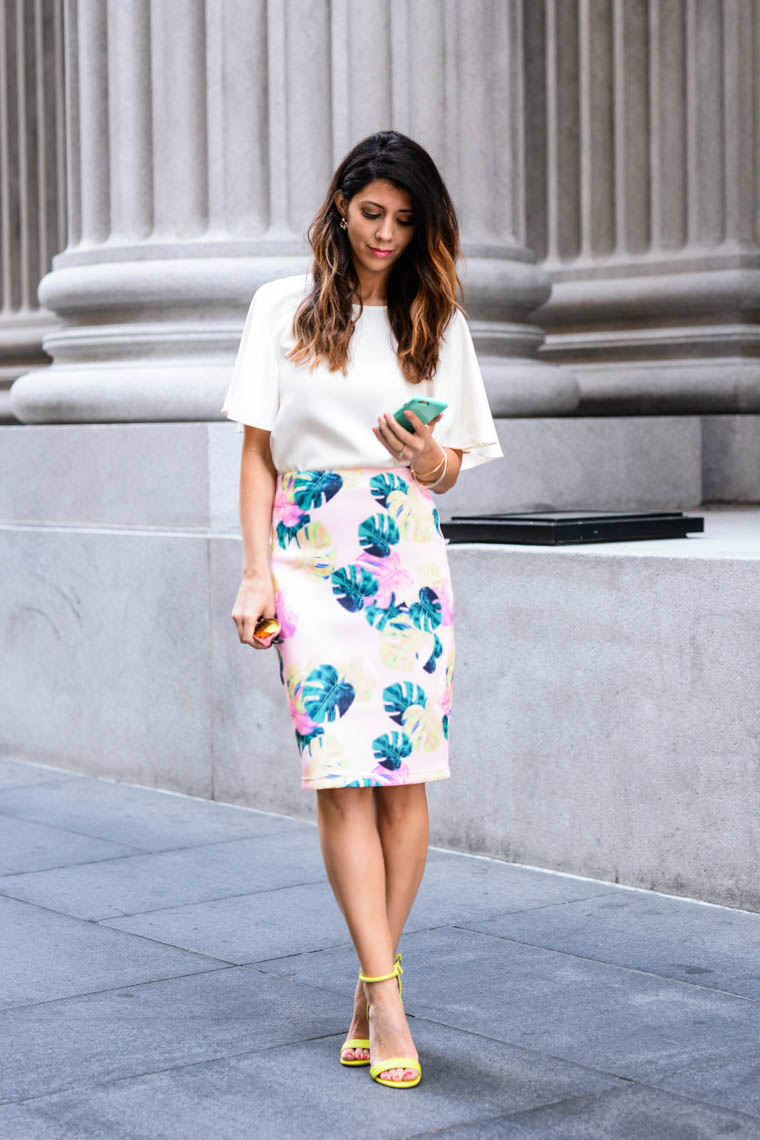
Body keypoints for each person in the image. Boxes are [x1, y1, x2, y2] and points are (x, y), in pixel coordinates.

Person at [221, 130, 503, 1089]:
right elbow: (257, 452)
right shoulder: (282, 308)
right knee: (340, 774)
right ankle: (386, 998)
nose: (386, 235)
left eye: (406, 220)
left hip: (406, 550)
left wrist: (424, 458)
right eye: (373, 213)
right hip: (308, 551)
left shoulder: (436, 315)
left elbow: (451, 467)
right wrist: (256, 573)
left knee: (405, 777)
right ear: (342, 205)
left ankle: (369, 975)